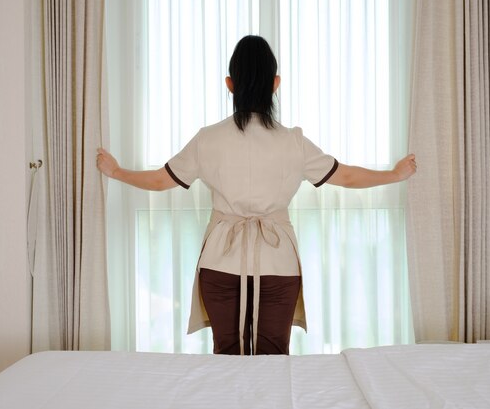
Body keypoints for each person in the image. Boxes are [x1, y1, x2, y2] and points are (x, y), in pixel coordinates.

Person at [97, 35, 417, 356]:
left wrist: (117, 171)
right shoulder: (294, 142)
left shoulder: (207, 139)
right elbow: (345, 176)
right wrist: (394, 174)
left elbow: (160, 180)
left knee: (227, 353)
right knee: (274, 356)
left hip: (220, 263)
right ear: (275, 84)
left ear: (229, 84)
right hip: (278, 264)